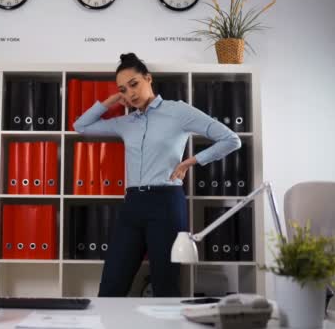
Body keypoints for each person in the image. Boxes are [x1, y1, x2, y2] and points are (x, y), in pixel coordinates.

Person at [73, 53, 241, 297]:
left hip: (166, 203)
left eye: (134, 84)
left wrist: (191, 162)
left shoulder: (178, 112)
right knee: (111, 286)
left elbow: (231, 139)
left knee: (165, 286)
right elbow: (81, 126)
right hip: (132, 205)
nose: (130, 93)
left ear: (148, 79)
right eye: (123, 89)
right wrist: (110, 102)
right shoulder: (125, 122)